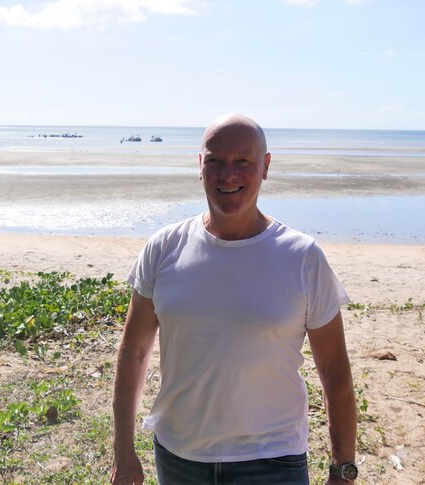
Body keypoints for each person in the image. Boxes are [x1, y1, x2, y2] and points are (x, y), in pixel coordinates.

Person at [110, 114, 358, 485]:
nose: (228, 175)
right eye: (215, 161)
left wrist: (343, 468)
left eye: (242, 161)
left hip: (273, 461)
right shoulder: (163, 247)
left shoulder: (302, 257)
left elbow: (335, 371)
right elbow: (134, 353)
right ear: (200, 166)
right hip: (180, 457)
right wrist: (123, 451)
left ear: (265, 166)